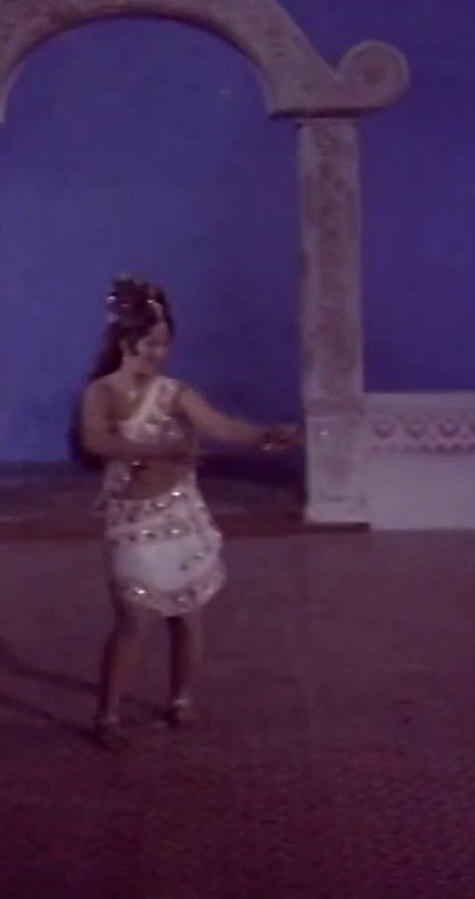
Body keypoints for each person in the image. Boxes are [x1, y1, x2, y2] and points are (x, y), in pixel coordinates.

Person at [71, 274, 300, 751]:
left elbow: (221, 425)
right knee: (133, 621)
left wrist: (264, 436)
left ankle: (181, 699)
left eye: (165, 343)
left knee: (187, 616)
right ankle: (108, 716)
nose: (159, 353)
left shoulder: (174, 393)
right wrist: (159, 451)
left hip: (179, 515)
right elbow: (94, 442)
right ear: (126, 343)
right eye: (150, 343)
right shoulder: (102, 393)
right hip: (132, 522)